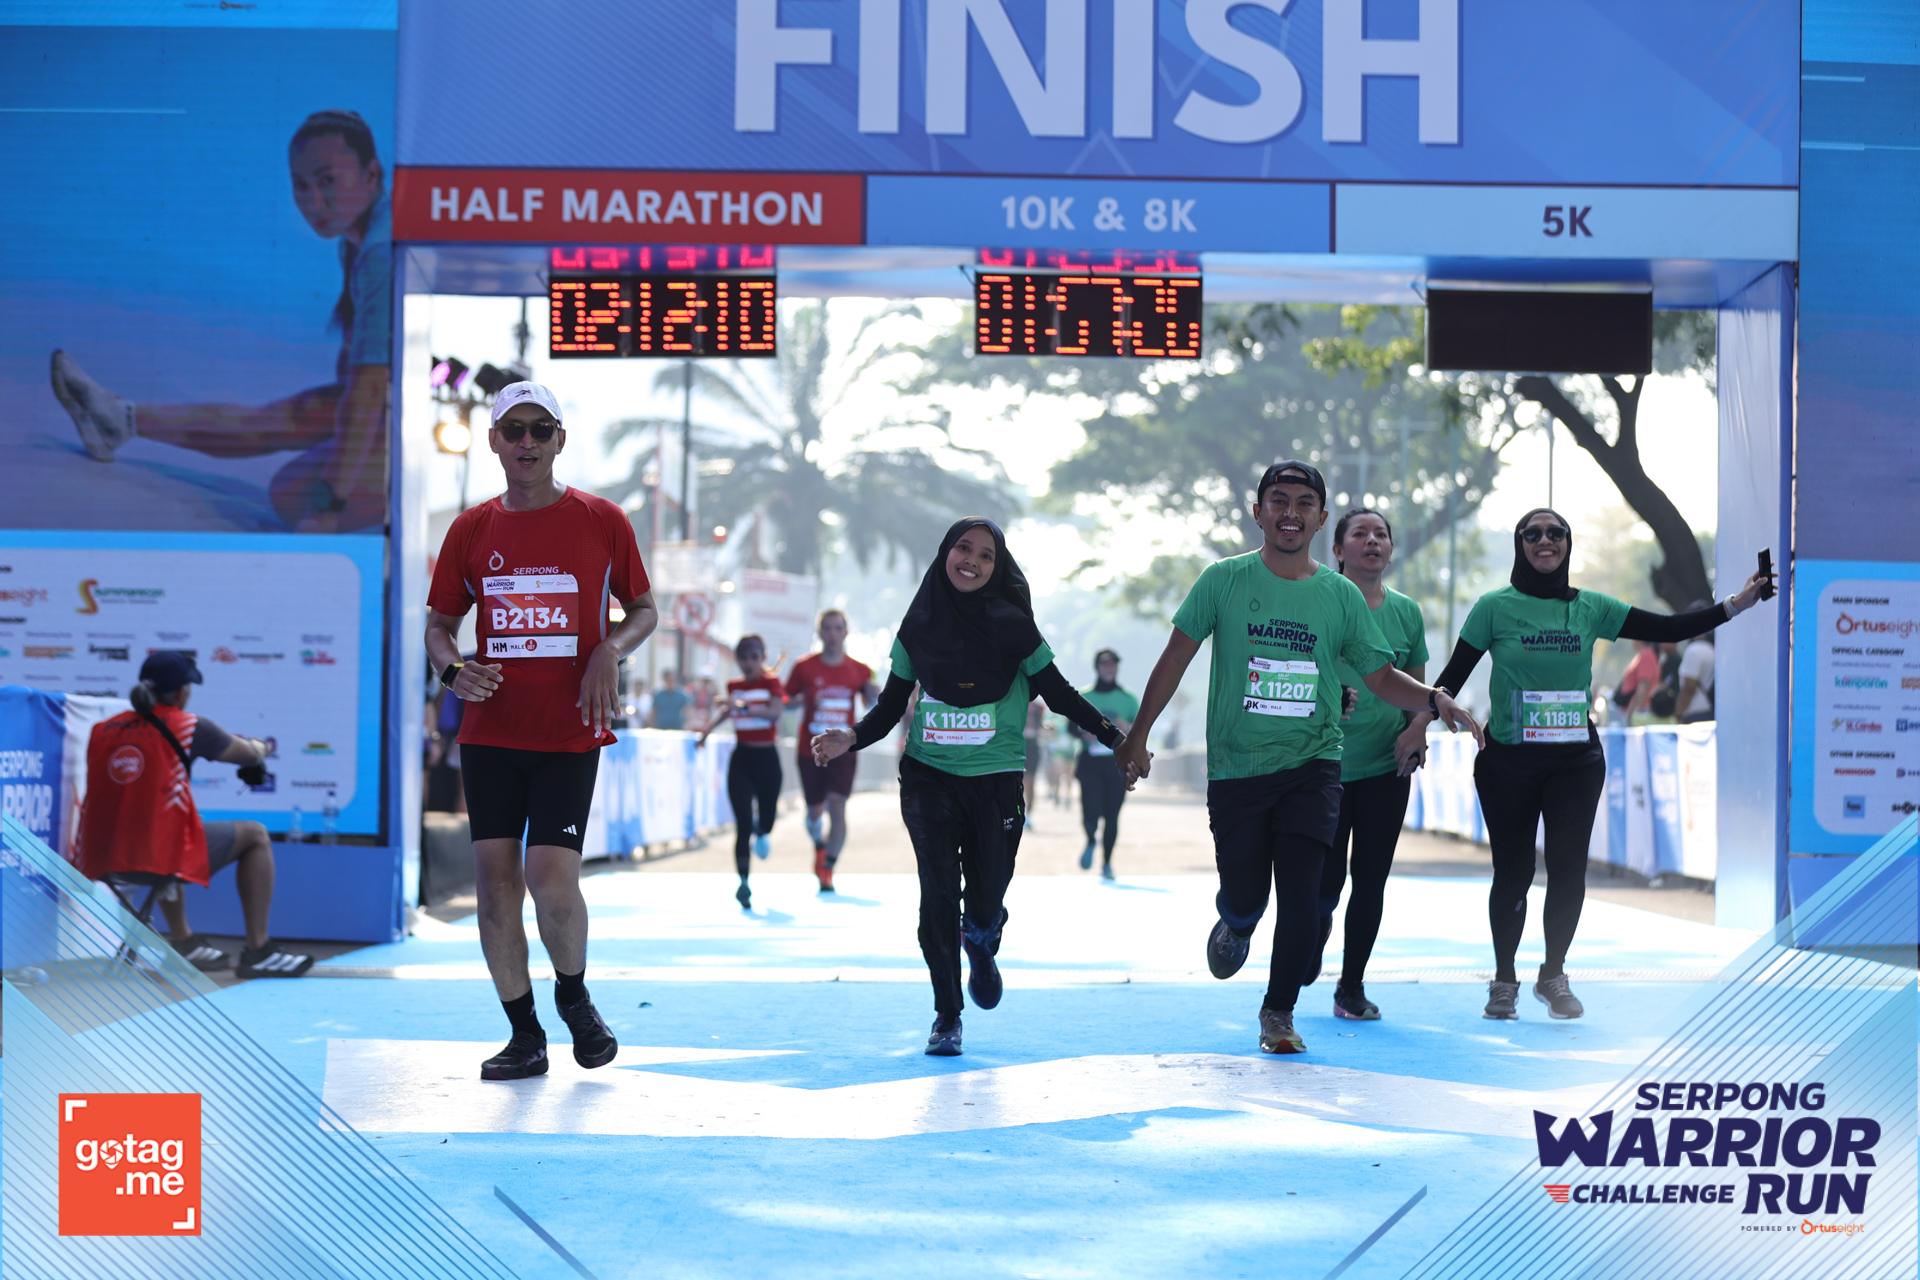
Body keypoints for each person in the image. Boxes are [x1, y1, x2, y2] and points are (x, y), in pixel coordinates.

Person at [1115, 462, 1483, 1056]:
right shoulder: (1223, 580)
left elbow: (1380, 676)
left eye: (1304, 502)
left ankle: (1278, 1012)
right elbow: (1176, 656)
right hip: (1238, 768)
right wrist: (1138, 735)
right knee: (1246, 894)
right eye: (1279, 500)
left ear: (1320, 517)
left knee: (1304, 894)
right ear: (1257, 512)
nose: (1291, 512)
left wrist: (1436, 700)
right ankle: (1237, 921)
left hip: (1314, 764)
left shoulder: (1339, 595)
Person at [1433, 509, 1773, 1022]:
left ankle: (1553, 975)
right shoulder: (1493, 607)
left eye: (1555, 533)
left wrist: (1736, 605)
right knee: (1514, 871)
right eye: (1532, 534)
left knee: (1569, 869)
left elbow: (1667, 627)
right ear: (1520, 544)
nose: (1545, 541)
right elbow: (1450, 679)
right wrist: (1423, 720)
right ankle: (1504, 980)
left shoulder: (1591, 607)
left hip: (1574, 761)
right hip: (1509, 762)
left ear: (1568, 544)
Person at [812, 519, 1128, 1057]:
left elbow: (1060, 695)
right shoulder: (917, 626)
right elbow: (890, 707)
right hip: (928, 778)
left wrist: (1115, 738)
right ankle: (947, 1015)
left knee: (983, 902)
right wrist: (853, 736)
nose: (972, 561)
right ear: (945, 553)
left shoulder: (1016, 629)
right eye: (964, 548)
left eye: (986, 555)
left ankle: (981, 940)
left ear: (997, 568)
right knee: (936, 896)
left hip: (995, 783)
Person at [425, 381, 659, 1081]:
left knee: (550, 879)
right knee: (495, 889)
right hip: (490, 735)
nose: (526, 442)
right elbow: (439, 628)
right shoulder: (470, 529)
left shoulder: (602, 519)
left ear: (560, 440)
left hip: (568, 733)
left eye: (540, 429)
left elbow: (644, 609)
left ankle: (575, 996)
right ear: (494, 441)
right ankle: (524, 1035)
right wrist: (452, 671)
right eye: (513, 430)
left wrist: (609, 649)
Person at [51, 110, 392, 533]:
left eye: (327, 181)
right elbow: (360, 382)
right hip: (394, 405)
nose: (312, 202)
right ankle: (119, 420)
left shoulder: (380, 252)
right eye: (301, 185)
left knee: (294, 495)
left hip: (411, 420)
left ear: (371, 175)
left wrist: (329, 506)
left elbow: (368, 390)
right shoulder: (358, 240)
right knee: (288, 418)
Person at [75, 652, 313, 979]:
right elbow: (247, 754)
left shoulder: (102, 729)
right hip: (151, 860)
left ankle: (184, 941)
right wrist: (262, 747)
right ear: (181, 693)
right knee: (255, 835)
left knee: (173, 828)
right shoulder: (188, 726)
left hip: (99, 860)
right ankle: (258, 950)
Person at [1307, 510, 1430, 1021]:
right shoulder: (1318, 601)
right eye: (1360, 534)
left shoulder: (1406, 612)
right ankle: (1311, 938)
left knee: (1370, 880)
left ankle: (1351, 986)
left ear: (1391, 549)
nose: (1372, 541)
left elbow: (1419, 690)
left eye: (1381, 534)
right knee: (1324, 886)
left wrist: (1418, 730)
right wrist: (1327, 696)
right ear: (1338, 550)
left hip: (1386, 767)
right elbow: (1300, 670)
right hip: (1323, 767)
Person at [787, 609, 876, 892]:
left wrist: (875, 693)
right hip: (810, 749)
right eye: (827, 628)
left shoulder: (860, 670)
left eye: (838, 628)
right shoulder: (803, 667)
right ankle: (819, 845)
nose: (833, 634)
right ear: (820, 633)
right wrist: (804, 698)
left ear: (846, 632)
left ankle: (828, 867)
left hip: (843, 750)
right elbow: (786, 702)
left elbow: (875, 704)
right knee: (814, 811)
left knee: (837, 806)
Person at [699, 635, 786, 910]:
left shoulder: (771, 683)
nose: (748, 663)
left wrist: (743, 707)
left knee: (766, 821)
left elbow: (774, 712)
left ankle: (763, 830)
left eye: (753, 658)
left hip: (767, 759)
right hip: (742, 759)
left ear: (763, 658)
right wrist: (707, 731)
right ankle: (744, 882)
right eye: (743, 658)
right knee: (743, 824)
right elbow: (728, 712)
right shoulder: (734, 686)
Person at [1074, 649, 1138, 880]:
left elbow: (1141, 729)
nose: (1109, 668)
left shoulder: (1128, 699)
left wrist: (1127, 728)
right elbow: (1070, 726)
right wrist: (1084, 734)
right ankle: (1091, 840)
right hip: (1089, 763)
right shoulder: (1084, 696)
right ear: (1097, 667)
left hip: (1117, 764)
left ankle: (1107, 863)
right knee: (1090, 812)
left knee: (1112, 815)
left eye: (1113, 664)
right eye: (1104, 664)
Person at [1675, 612, 1716, 724]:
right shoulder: (1711, 648)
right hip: (1708, 709)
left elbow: (1689, 687)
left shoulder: (1694, 650)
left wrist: (1678, 713)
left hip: (1695, 713)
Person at [1610, 638, 1662, 724]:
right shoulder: (1644, 654)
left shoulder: (1646, 655)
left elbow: (1643, 687)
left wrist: (1634, 713)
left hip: (1641, 709)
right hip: (1637, 708)